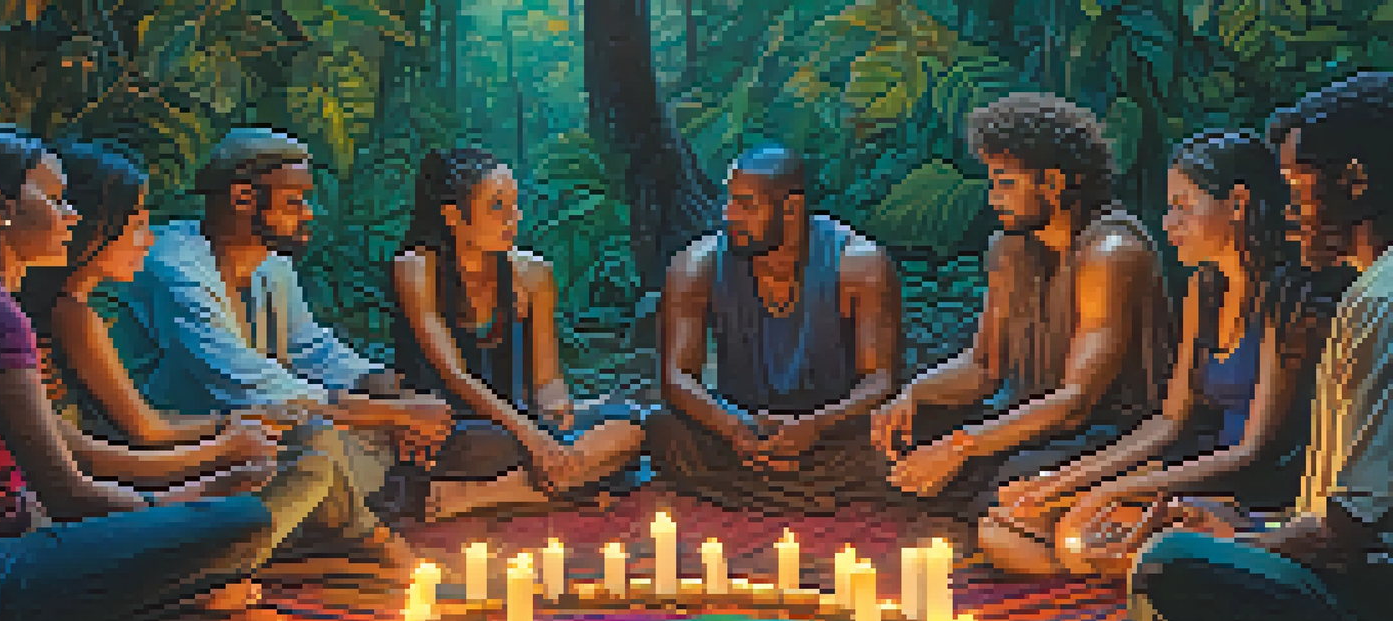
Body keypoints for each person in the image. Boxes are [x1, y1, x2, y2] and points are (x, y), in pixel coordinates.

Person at [0, 125, 371, 621]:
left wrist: (204, 483)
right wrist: (190, 502)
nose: (71, 216)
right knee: (240, 522)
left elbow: (71, 453)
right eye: (56, 201)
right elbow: (67, 492)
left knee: (231, 514)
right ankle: (182, 610)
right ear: (0, 208)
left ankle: (185, 605)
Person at [1121, 73, 1393, 621]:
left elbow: (1350, 536)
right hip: (1346, 563)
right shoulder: (1367, 292)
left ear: (1354, 181)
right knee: (1180, 549)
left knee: (1168, 565)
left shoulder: (1381, 303)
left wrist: (1234, 547)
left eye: (1299, 188)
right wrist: (1251, 530)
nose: (1291, 209)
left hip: (1373, 593)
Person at [981, 130, 1357, 577]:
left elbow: (1251, 451)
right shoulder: (1205, 288)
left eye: (1183, 206)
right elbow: (1169, 420)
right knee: (1003, 525)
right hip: (1200, 470)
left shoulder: (1283, 299)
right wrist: (1064, 481)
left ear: (1236, 204)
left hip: (1256, 488)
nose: (1167, 222)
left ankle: (1167, 571)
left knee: (1077, 531)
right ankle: (1142, 570)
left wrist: (1109, 492)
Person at [112, 127, 452, 541]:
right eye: (294, 201)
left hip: (262, 424)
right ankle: (252, 541)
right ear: (241, 197)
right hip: (187, 441)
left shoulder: (271, 262)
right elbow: (263, 389)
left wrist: (391, 390)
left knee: (382, 434)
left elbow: (310, 347)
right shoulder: (175, 268)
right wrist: (398, 414)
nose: (308, 212)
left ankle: (337, 517)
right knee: (319, 441)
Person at [870, 93, 1173, 534]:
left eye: (1005, 183)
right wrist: (914, 395)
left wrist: (960, 448)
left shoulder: (1110, 252)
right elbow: (984, 366)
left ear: (1052, 182)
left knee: (1002, 485)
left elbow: (1076, 403)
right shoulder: (1011, 247)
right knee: (896, 446)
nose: (994, 199)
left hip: (1106, 434)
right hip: (1028, 420)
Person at [390, 148, 647, 521]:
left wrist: (557, 409)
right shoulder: (415, 269)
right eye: (497, 207)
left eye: (515, 205)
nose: (514, 218)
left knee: (633, 426)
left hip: (522, 422)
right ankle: (573, 483)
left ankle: (483, 496)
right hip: (454, 431)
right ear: (454, 217)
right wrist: (536, 438)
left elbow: (547, 378)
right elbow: (454, 376)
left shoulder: (534, 274)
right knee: (499, 448)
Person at [647, 144, 903, 513]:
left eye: (746, 206)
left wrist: (812, 427)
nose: (729, 215)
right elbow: (676, 378)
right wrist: (734, 428)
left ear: (791, 208)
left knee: (896, 440)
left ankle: (761, 491)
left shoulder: (859, 265)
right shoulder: (695, 266)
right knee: (663, 429)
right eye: (729, 201)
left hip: (831, 432)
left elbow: (881, 382)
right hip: (740, 428)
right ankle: (808, 493)